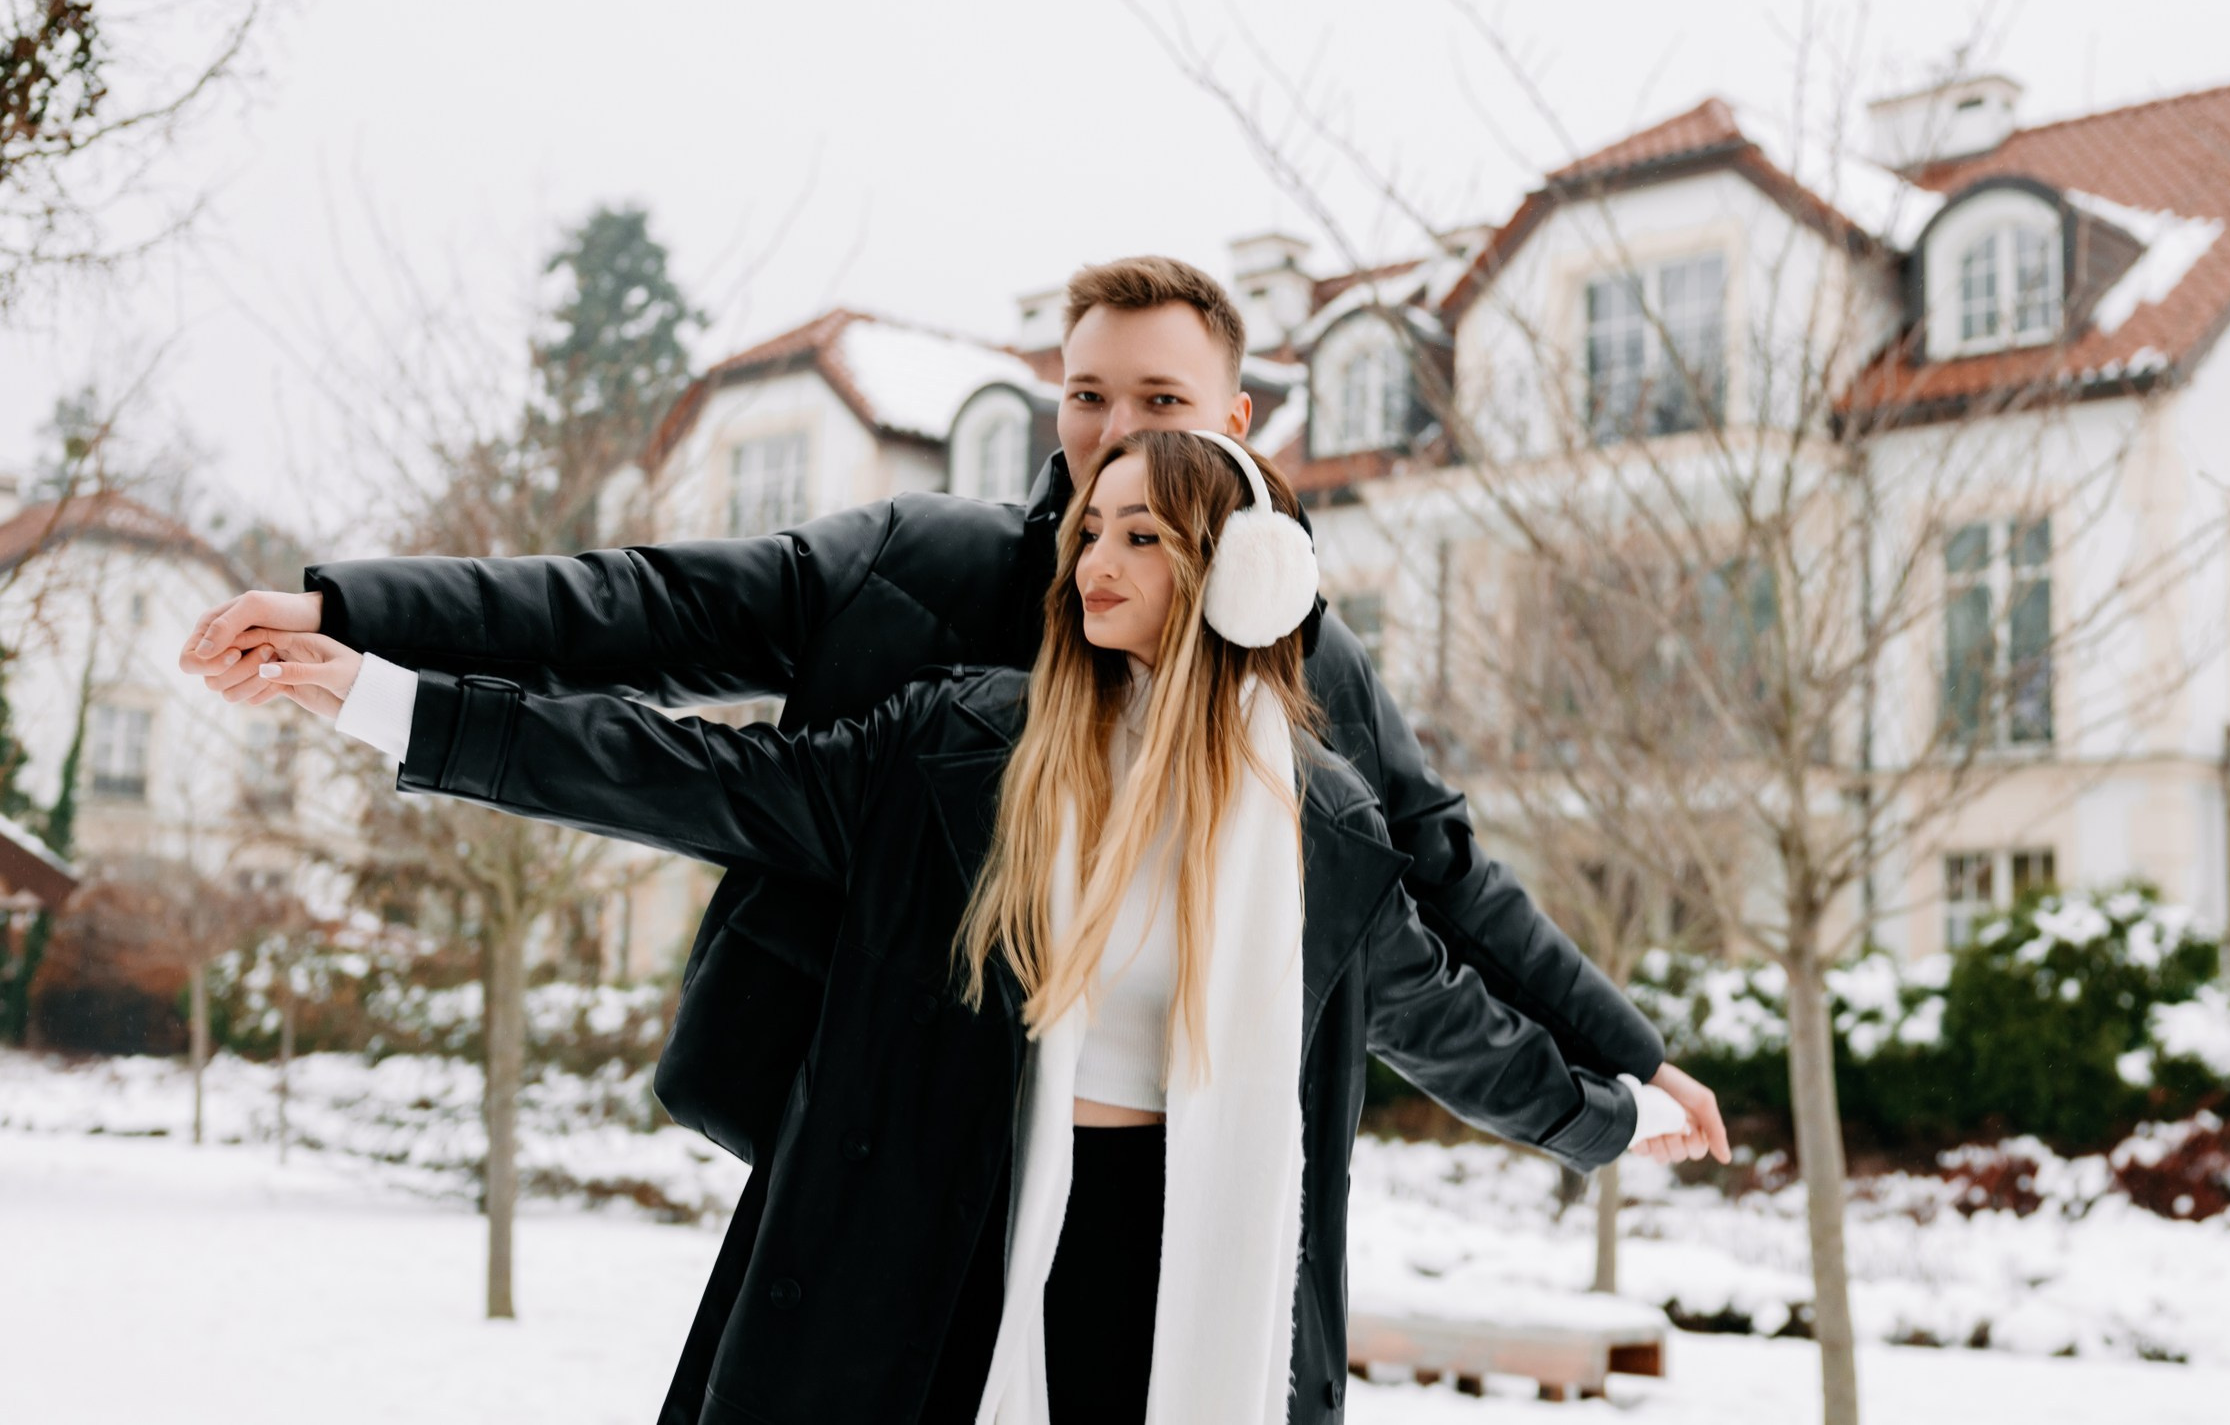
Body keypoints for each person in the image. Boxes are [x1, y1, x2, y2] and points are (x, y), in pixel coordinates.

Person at [182, 255, 1729, 1418]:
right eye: (1086, 402)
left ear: (1237, 449)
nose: (1106, 452)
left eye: (1160, 416)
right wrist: (359, 640)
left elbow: (1438, 924)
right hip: (894, 1164)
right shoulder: (941, 665)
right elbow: (648, 650)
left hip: (1181, 1233)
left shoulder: (1309, 768)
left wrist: (1626, 1076)